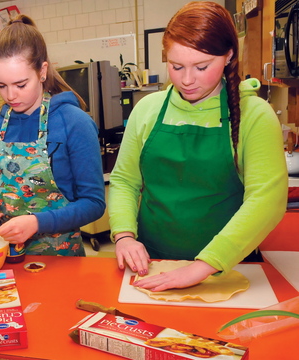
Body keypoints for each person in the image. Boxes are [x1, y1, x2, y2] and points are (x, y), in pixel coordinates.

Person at [108, 1, 288, 291]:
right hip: (152, 264)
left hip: (229, 267)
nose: (187, 80)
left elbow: (266, 200)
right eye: (176, 66)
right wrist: (125, 236)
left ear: (228, 56)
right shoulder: (148, 109)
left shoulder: (254, 115)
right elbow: (124, 180)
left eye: (202, 66)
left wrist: (203, 266)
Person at [0, 15, 106, 256]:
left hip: (61, 258)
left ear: (42, 71)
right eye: (1, 86)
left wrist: (37, 223)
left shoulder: (74, 123)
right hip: (5, 256)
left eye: (20, 84)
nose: (10, 96)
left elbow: (94, 203)